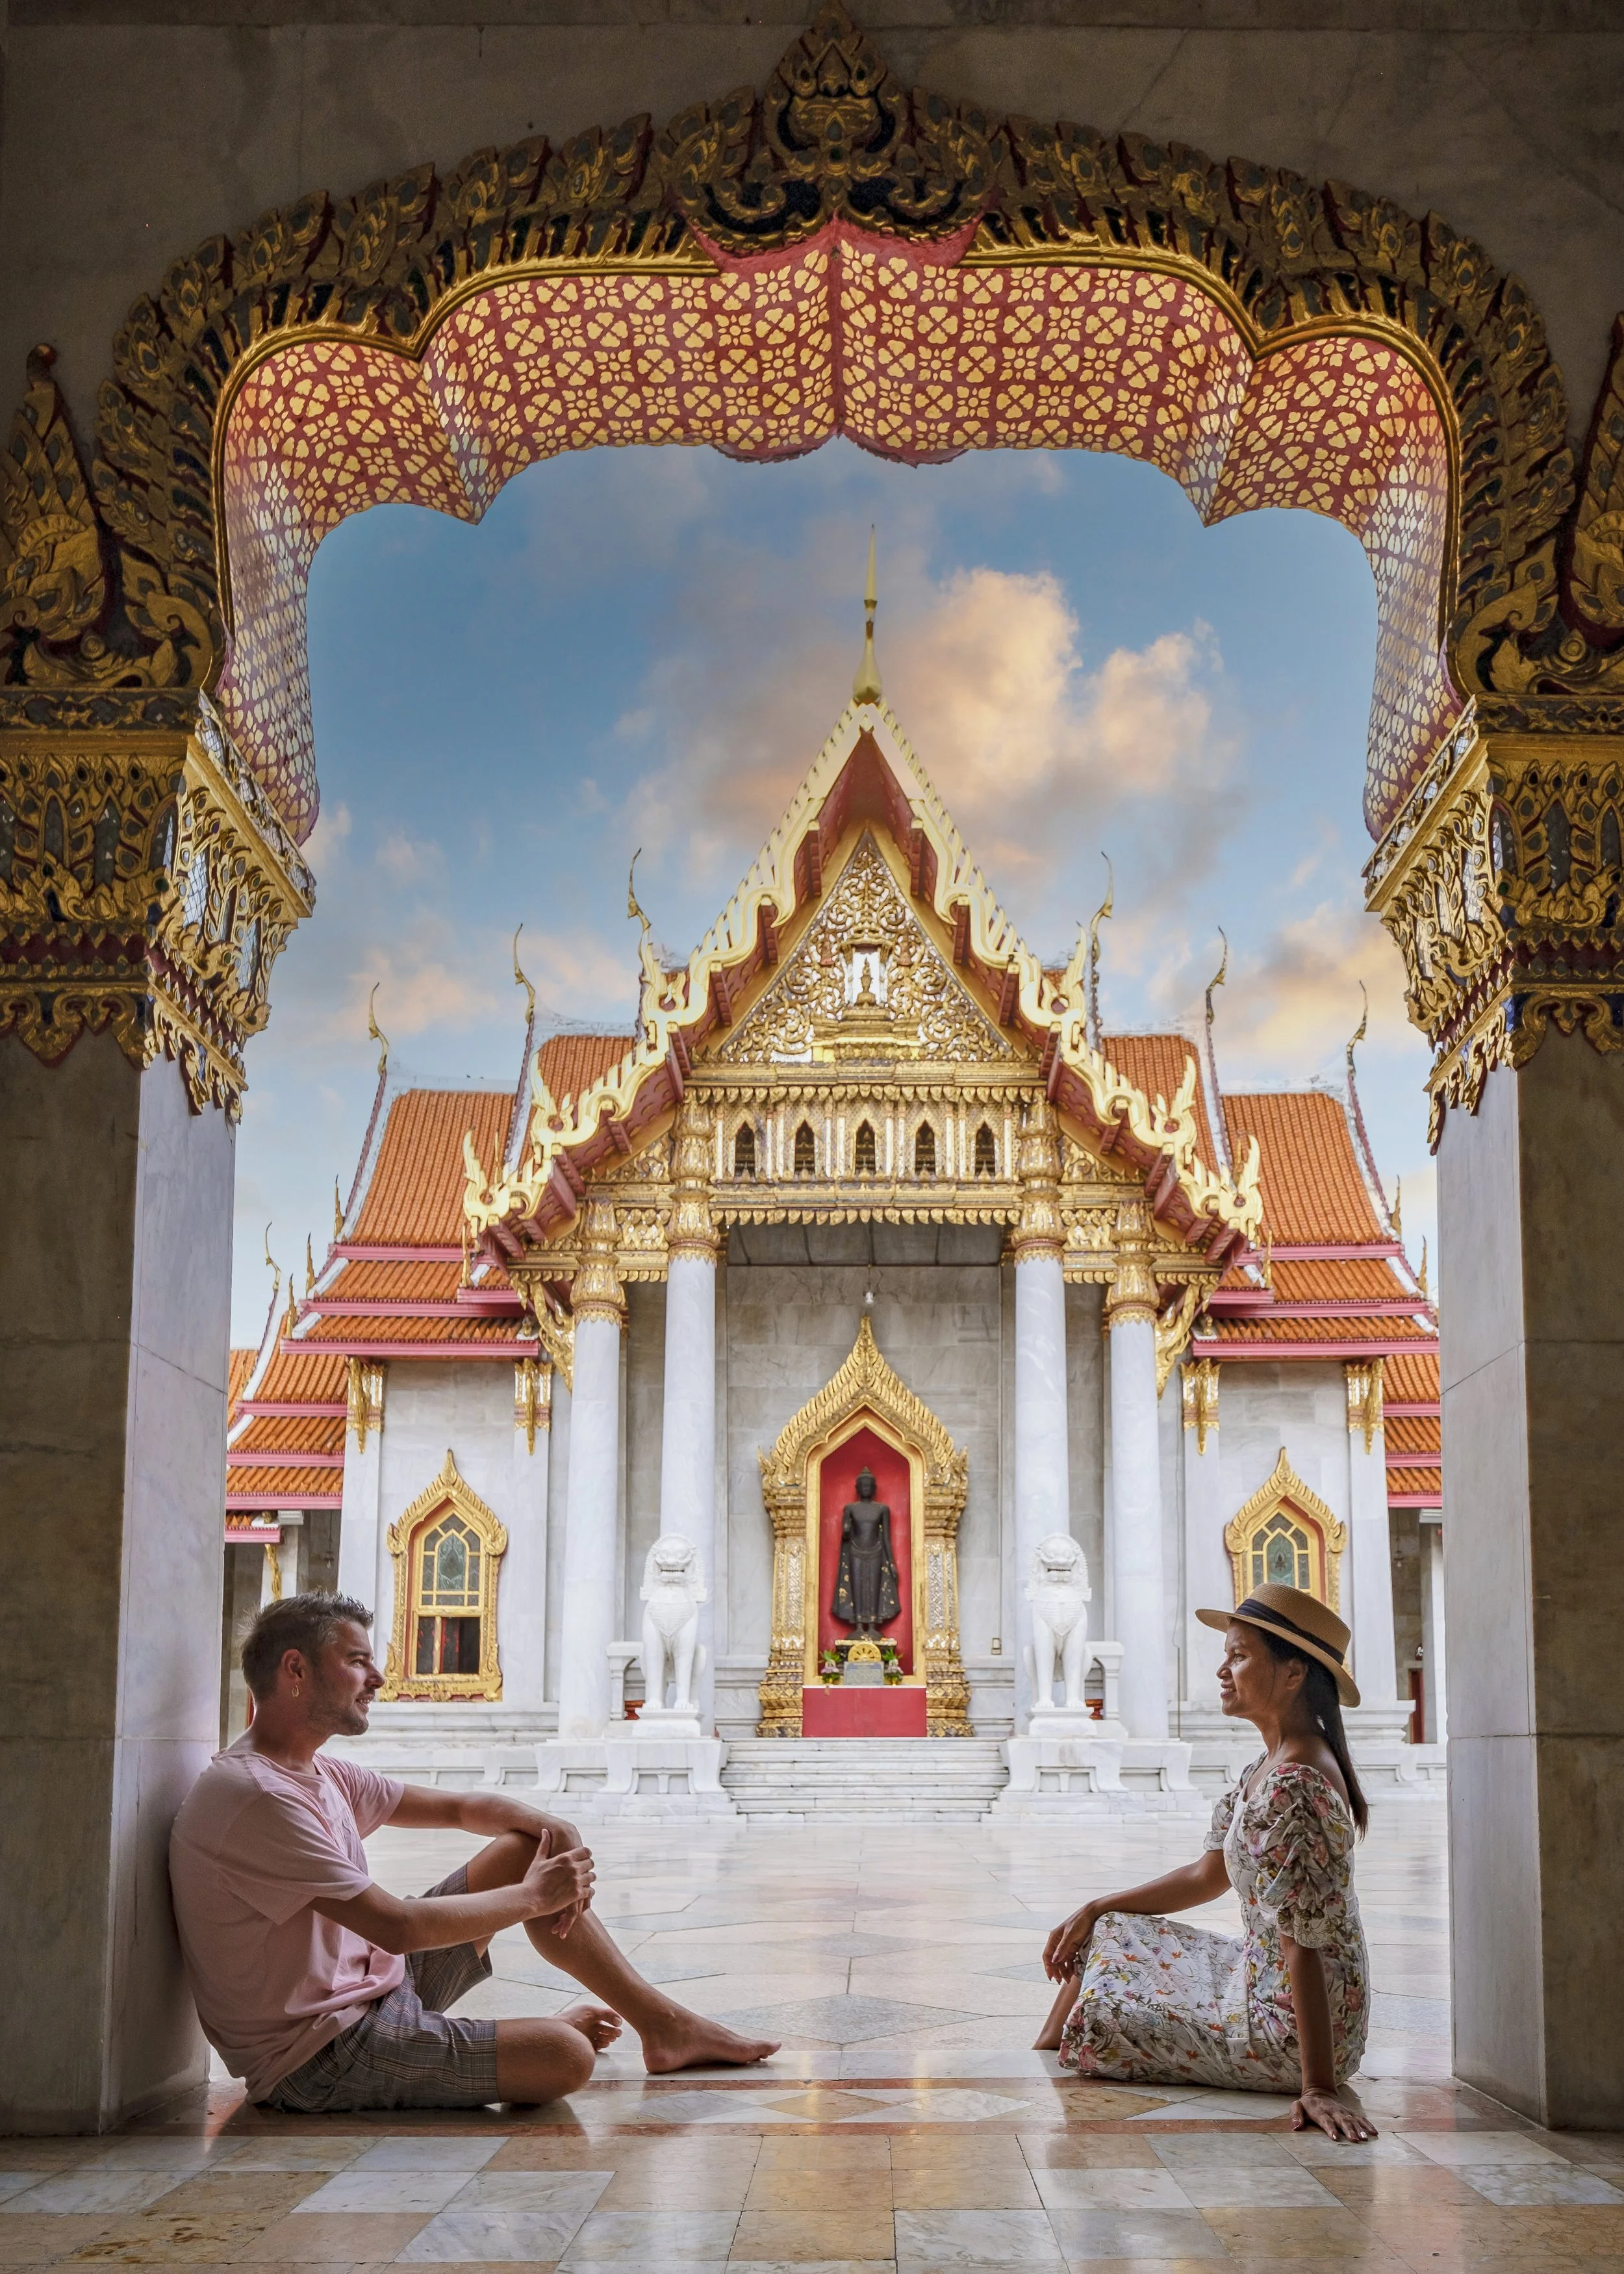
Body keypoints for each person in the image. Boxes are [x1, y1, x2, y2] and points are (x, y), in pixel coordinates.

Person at [169, 1591, 779, 2112]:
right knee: (564, 2058)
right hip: (319, 2055)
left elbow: (461, 1808)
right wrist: (534, 1896)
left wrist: (549, 1824)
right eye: (357, 1662)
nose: (378, 1679)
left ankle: (663, 2026)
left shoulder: (320, 1772)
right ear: (296, 1670)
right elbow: (398, 1925)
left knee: (521, 1849)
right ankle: (525, 2039)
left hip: (374, 1990)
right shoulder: (256, 1796)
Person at [1033, 1582, 1376, 2142]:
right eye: (1227, 1656)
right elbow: (1207, 1876)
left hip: (1289, 2030)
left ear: (1293, 1675)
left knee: (1096, 2014)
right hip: (1264, 1981)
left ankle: (1041, 2070)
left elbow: (1302, 1943)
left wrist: (1318, 2087)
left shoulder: (1296, 1785)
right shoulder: (1269, 1766)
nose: (1223, 1671)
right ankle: (1043, 2058)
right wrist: (1095, 1906)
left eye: (1239, 1657)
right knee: (1111, 1930)